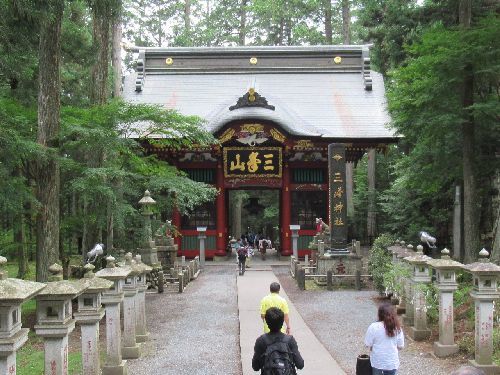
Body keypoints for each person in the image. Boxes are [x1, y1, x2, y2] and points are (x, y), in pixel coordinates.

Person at [252, 307, 304, 374]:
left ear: (267, 322)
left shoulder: (261, 341)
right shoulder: (290, 340)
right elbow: (300, 365)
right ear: (282, 322)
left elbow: (255, 367)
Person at [364, 303, 404, 375]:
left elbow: (367, 344)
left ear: (379, 314)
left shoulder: (373, 327)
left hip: (377, 362)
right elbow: (400, 346)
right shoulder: (397, 328)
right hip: (392, 362)